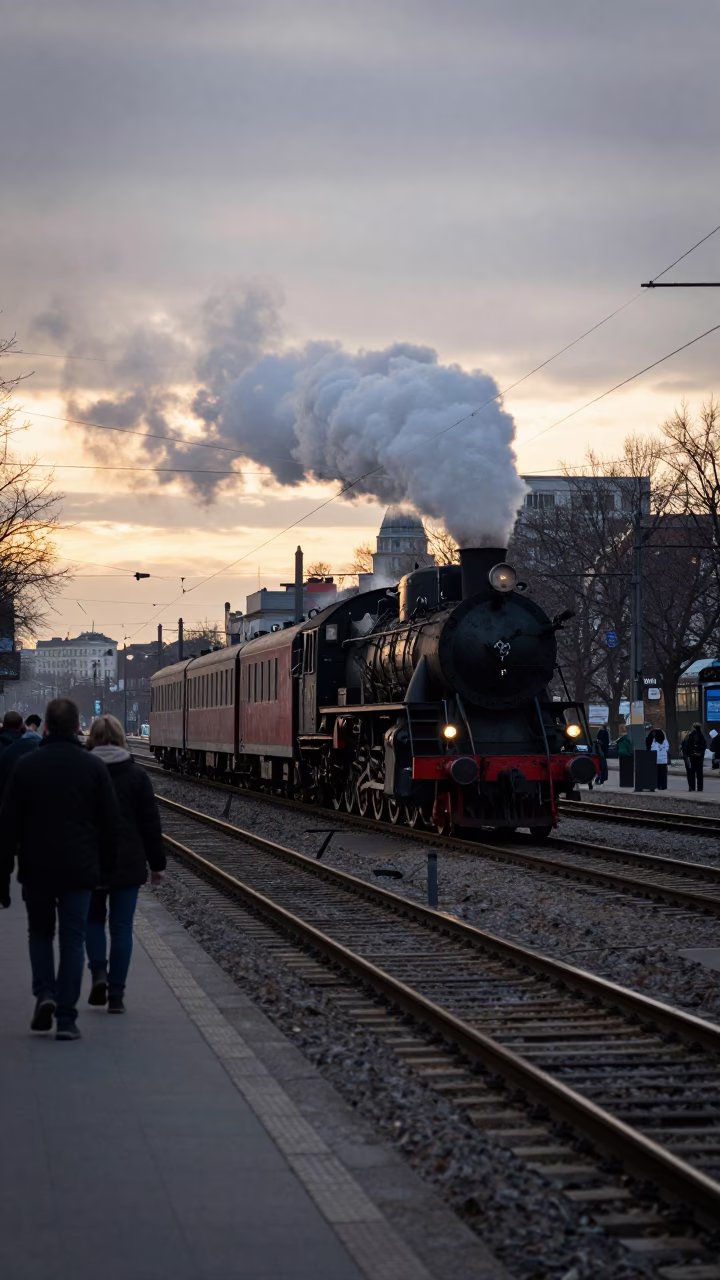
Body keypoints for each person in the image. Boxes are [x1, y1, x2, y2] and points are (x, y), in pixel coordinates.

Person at [0, 698, 119, 1040]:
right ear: (77, 726)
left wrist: (2, 878)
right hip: (80, 869)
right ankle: (66, 1018)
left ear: (47, 727)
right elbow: (110, 825)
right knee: (72, 939)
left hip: (37, 867)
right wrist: (106, 871)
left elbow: (7, 827)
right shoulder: (93, 768)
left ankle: (45, 995)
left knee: (39, 934)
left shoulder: (27, 766)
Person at [85, 714, 165, 1014]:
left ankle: (98, 974)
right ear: (121, 739)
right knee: (121, 928)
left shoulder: (84, 771)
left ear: (92, 738)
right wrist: (157, 864)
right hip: (128, 862)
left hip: (90, 861)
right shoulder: (137, 775)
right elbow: (150, 825)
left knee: (92, 922)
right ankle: (116, 995)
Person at [682, 721, 707, 793]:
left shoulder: (690, 735)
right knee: (699, 773)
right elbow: (704, 746)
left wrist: (690, 754)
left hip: (692, 757)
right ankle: (700, 787)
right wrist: (700, 754)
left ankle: (692, 787)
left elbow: (687, 746)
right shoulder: (701, 736)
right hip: (699, 757)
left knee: (692, 773)